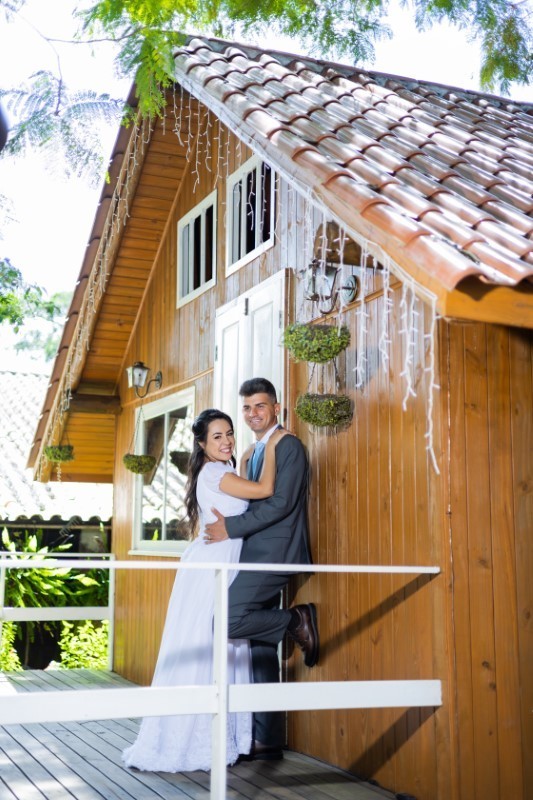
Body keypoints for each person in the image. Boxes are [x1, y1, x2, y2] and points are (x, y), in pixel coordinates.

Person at [122, 408, 289, 773]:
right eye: (217, 436)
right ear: (201, 443)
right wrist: (273, 445)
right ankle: (200, 736)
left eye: (229, 433)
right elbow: (265, 490)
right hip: (216, 562)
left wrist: (248, 455)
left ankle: (225, 735)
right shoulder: (214, 473)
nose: (226, 440)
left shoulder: (221, 470)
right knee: (214, 640)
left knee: (220, 642)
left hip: (220, 556)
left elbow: (241, 495)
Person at [204, 377, 319, 762]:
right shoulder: (253, 450)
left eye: (260, 406)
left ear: (276, 408)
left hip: (276, 551)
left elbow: (281, 503)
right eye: (247, 407)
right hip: (251, 552)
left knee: (228, 620)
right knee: (260, 648)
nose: (253, 413)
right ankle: (267, 738)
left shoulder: (288, 445)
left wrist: (230, 528)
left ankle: (295, 619)